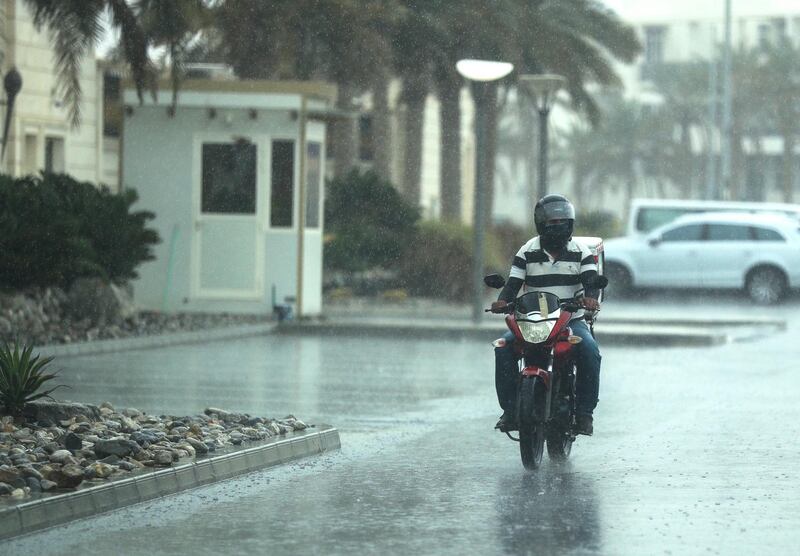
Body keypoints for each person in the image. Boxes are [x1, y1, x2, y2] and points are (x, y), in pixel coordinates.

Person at [491, 194, 602, 436]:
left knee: (590, 351)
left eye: (562, 222)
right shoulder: (527, 251)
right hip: (531, 321)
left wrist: (591, 297)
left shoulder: (580, 252)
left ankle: (584, 414)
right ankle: (510, 411)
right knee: (502, 347)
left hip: (570, 322)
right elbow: (512, 285)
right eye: (552, 223)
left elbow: (591, 281)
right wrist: (502, 301)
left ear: (570, 223)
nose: (557, 227)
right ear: (541, 224)